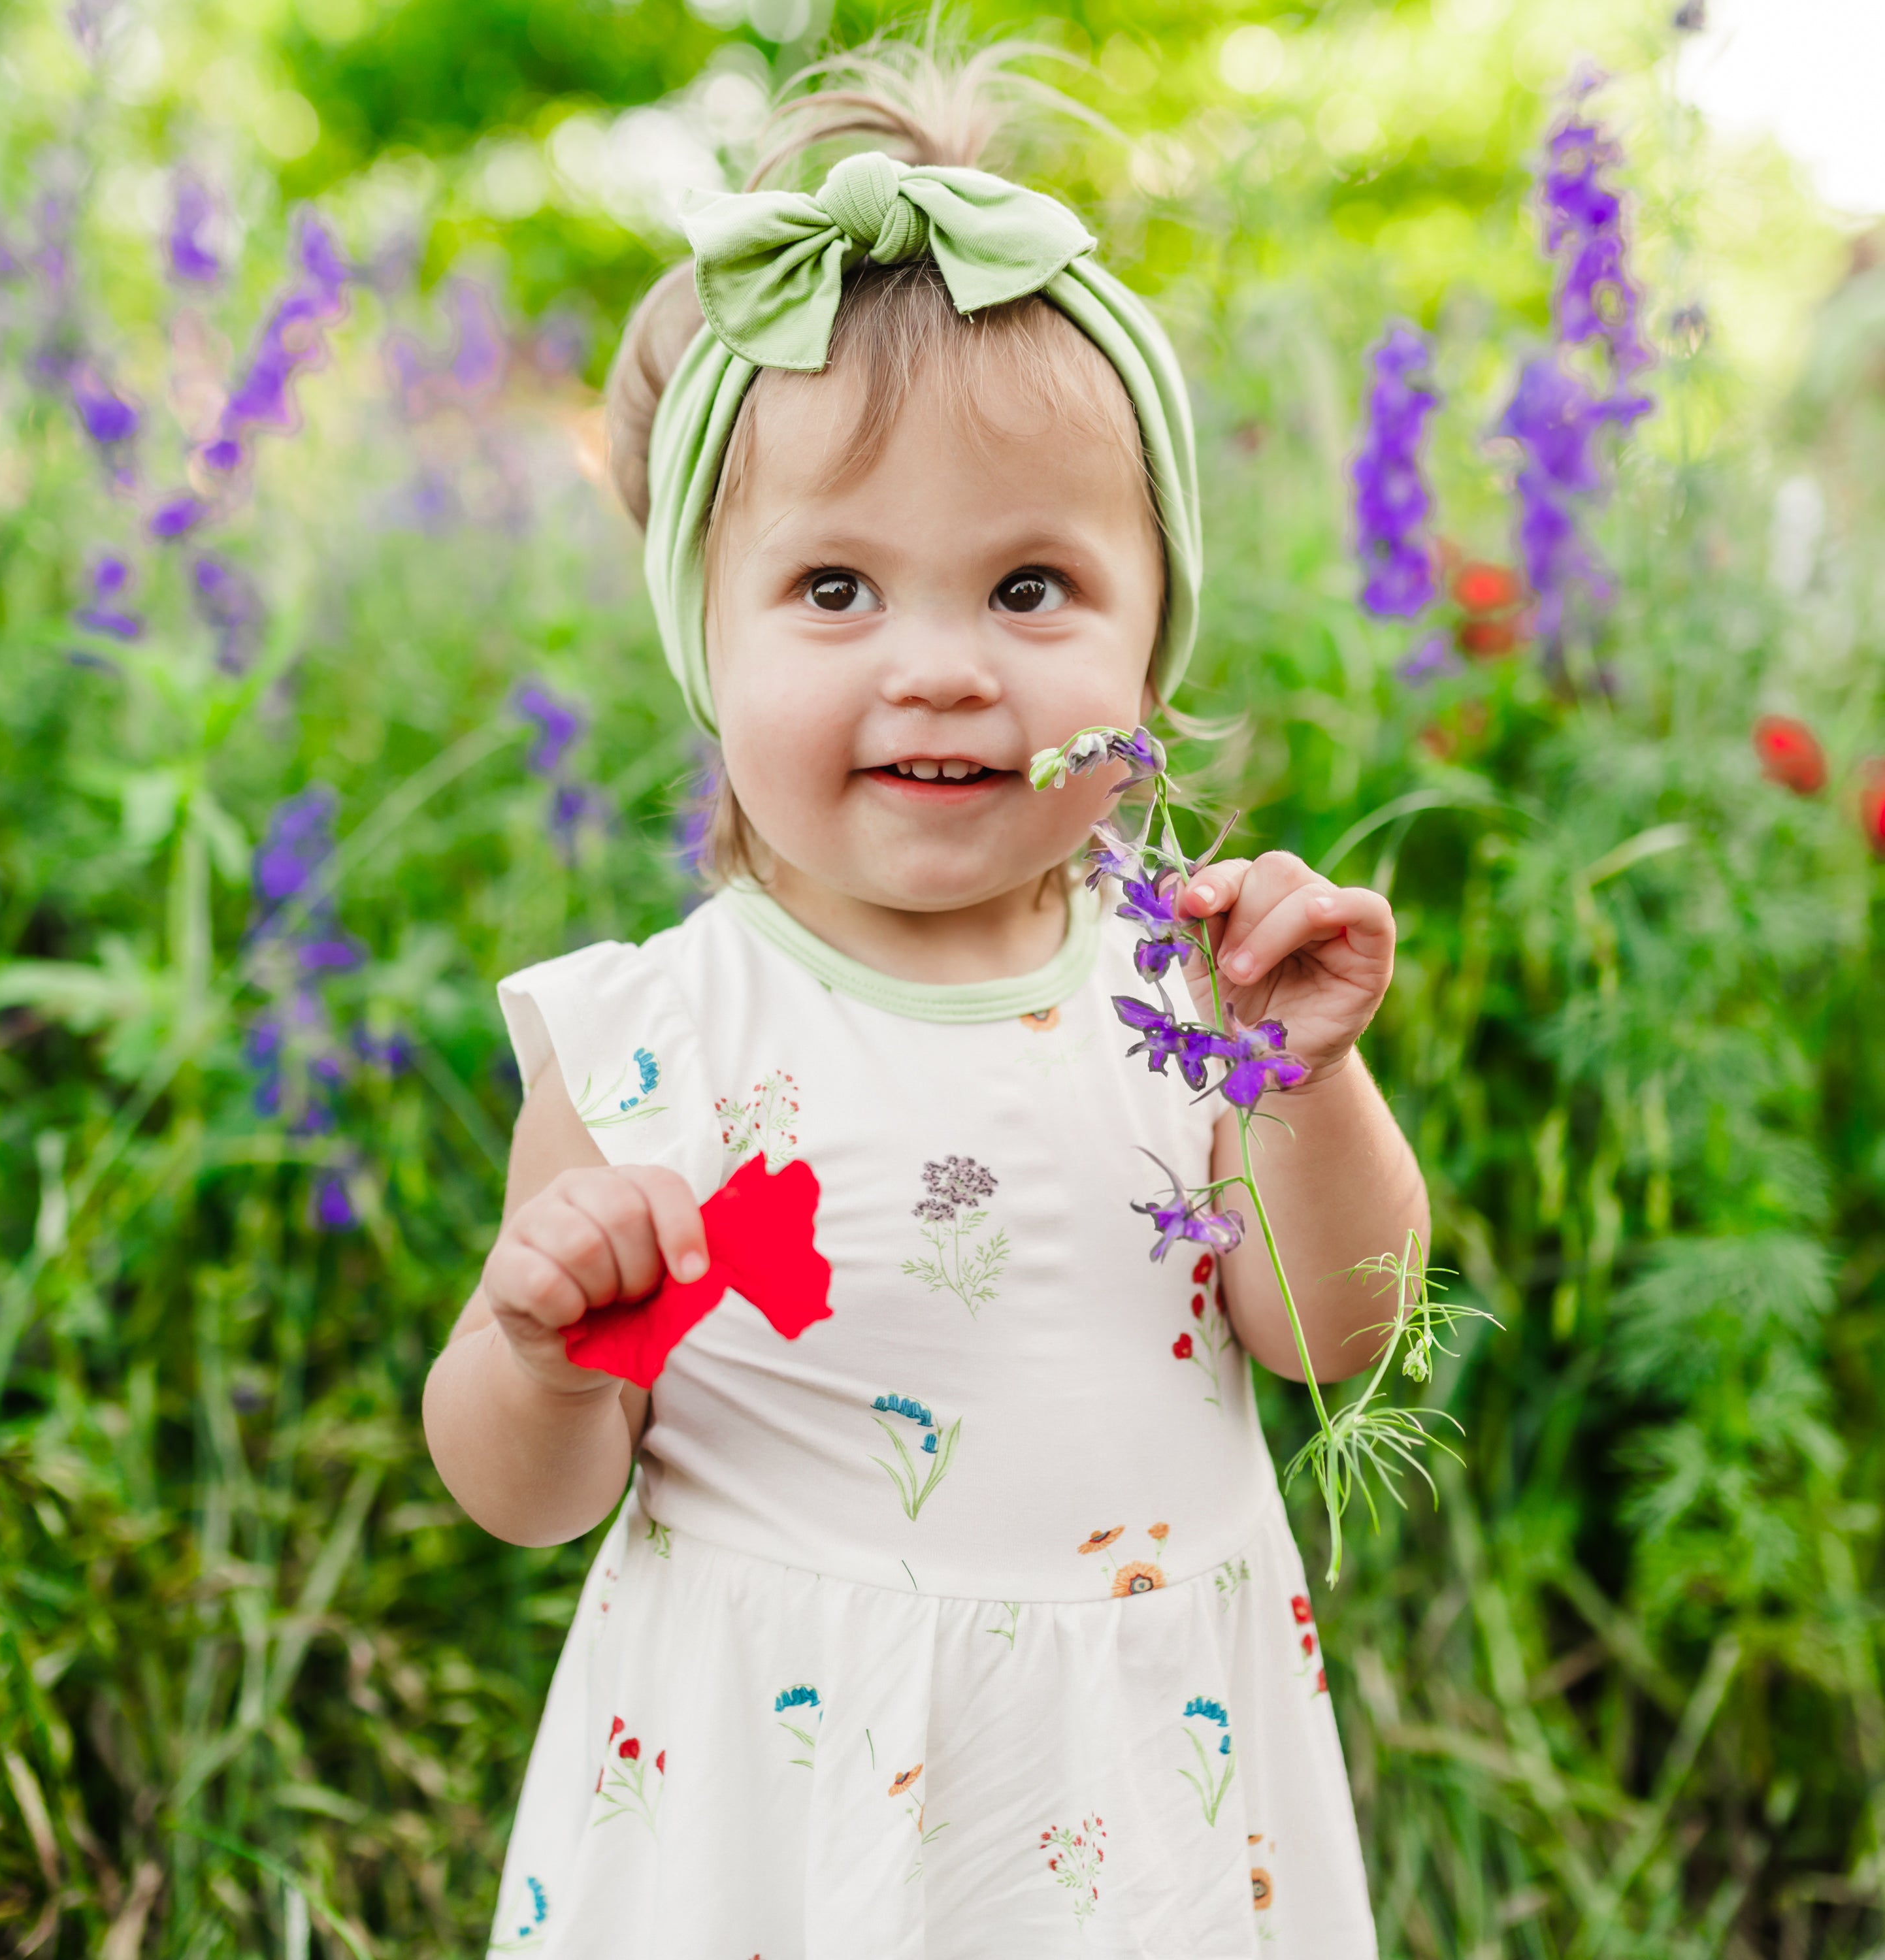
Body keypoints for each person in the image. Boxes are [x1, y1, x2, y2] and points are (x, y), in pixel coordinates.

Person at [423, 43, 1426, 1957]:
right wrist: (539, 1348)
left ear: (1154, 633)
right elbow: (527, 1495)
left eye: (1034, 589)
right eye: (836, 591)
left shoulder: (1182, 983)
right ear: (702, 636)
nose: (947, 671)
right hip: (772, 1807)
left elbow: (1333, 1336)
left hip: (1141, 1784)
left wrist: (1306, 1088)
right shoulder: (654, 1034)